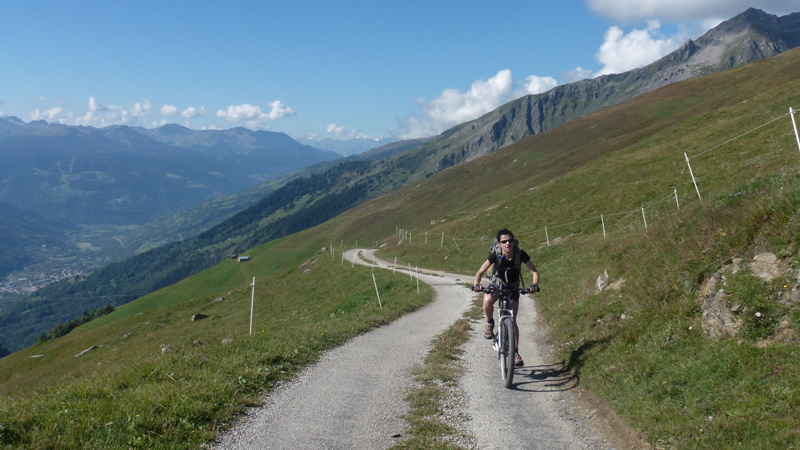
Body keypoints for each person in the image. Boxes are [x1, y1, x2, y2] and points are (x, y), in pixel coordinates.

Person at [472, 229, 539, 367]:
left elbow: (534, 272)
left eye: (510, 240)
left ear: (513, 241)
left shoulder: (520, 254)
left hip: (513, 287)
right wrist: (476, 285)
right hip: (497, 285)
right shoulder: (495, 255)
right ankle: (490, 323)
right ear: (499, 243)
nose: (508, 243)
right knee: (487, 301)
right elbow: (480, 271)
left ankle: (515, 352)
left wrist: (534, 285)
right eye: (504, 241)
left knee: (512, 320)